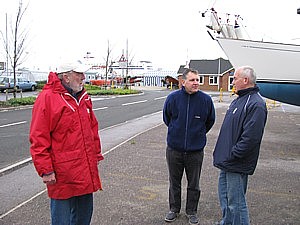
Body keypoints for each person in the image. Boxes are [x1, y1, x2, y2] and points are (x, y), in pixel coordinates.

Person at [29, 60, 104, 225]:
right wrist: (46, 170)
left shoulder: (83, 97)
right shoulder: (48, 99)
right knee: (62, 220)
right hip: (62, 174)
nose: (83, 77)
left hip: (85, 169)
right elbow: (38, 138)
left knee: (84, 217)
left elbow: (92, 128)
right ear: (66, 77)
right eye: (79, 74)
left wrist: (95, 154)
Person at [213, 66, 268, 225]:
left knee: (236, 202)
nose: (233, 82)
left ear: (245, 80)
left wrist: (234, 154)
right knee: (224, 196)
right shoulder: (239, 100)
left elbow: (251, 138)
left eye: (235, 78)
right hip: (227, 160)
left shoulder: (256, 104)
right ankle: (227, 222)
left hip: (236, 161)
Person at [163, 68, 216, 225]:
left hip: (195, 151)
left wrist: (197, 135)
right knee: (174, 182)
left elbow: (210, 121)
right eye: (192, 80)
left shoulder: (205, 100)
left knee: (194, 183)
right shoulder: (172, 98)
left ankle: (191, 211)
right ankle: (174, 209)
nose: (196, 83)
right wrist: (177, 133)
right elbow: (167, 118)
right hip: (174, 149)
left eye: (197, 80)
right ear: (183, 82)